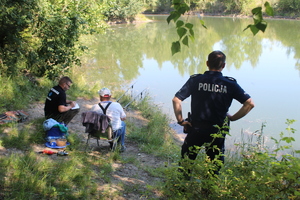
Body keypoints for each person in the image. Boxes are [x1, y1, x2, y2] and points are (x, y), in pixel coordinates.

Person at [172, 50, 254, 175]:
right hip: (218, 131)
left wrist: (181, 121)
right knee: (214, 166)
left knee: (186, 162)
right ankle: (208, 191)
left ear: (207, 63)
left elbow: (176, 100)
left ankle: (182, 188)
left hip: (196, 128)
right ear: (224, 65)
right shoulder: (230, 84)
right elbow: (249, 104)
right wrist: (232, 118)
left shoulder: (196, 80)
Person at [90, 87, 127, 152]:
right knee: (122, 124)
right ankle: (120, 145)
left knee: (114, 125)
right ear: (110, 96)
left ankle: (113, 144)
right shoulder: (117, 105)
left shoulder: (94, 107)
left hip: (97, 132)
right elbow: (123, 118)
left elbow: (91, 119)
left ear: (100, 97)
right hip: (113, 133)